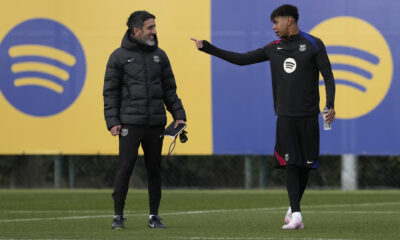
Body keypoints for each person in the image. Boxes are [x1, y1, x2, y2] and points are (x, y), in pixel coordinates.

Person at [191, 4, 335, 230]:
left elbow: (328, 76)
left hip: (309, 117)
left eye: (276, 22)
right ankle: (297, 214)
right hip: (285, 116)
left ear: (289, 20)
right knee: (290, 164)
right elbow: (241, 59)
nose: (274, 27)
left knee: (306, 166)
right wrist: (209, 48)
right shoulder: (273, 48)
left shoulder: (314, 44)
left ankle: (292, 207)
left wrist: (330, 105)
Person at [104, 10, 186, 230]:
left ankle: (154, 217)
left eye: (154, 26)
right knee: (125, 168)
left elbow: (170, 90)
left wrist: (179, 115)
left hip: (155, 123)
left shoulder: (161, 55)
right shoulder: (118, 56)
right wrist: (113, 121)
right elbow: (110, 92)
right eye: (150, 27)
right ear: (136, 30)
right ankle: (118, 217)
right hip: (129, 123)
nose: (154, 31)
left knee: (154, 170)